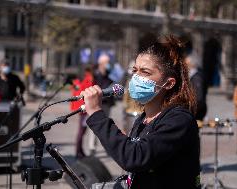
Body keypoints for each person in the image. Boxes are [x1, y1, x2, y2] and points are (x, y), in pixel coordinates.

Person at [81, 35, 201, 189]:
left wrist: (97, 114)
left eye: (145, 72)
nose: (136, 77)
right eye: (135, 70)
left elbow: (135, 157)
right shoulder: (143, 119)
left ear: (169, 83)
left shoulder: (179, 119)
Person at [70, 65, 94, 158]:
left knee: (82, 131)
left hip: (82, 109)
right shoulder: (88, 79)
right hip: (84, 109)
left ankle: (80, 150)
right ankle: (78, 151)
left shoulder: (82, 80)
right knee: (81, 131)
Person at [185, 52, 207, 121]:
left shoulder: (197, 78)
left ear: (191, 64)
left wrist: (190, 109)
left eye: (186, 64)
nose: (185, 66)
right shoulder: (192, 77)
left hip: (196, 112)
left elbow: (199, 98)